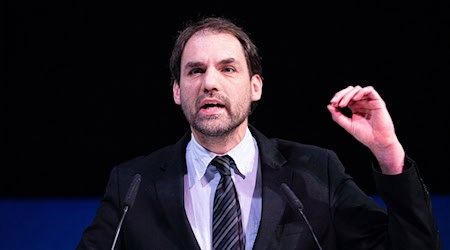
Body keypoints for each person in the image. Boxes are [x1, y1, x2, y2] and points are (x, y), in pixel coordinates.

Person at [76, 16, 442, 250]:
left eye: (228, 69)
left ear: (256, 87)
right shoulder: (133, 184)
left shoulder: (314, 172)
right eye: (195, 71)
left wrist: (389, 155)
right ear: (176, 91)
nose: (210, 83)